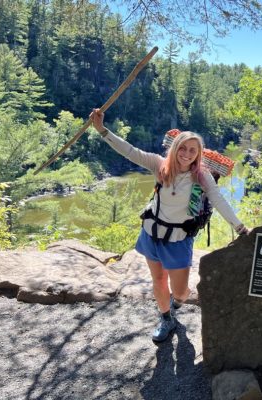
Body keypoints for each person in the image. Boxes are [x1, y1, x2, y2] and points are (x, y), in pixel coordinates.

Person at [90, 108, 249, 343]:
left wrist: (240, 228)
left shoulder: (201, 177)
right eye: (182, 148)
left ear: (198, 154)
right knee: (158, 280)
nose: (186, 154)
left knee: (182, 292)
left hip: (179, 239)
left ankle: (175, 304)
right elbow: (130, 152)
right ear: (175, 148)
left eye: (192, 150)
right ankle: (166, 318)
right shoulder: (159, 165)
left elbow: (218, 199)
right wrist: (102, 131)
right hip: (152, 233)